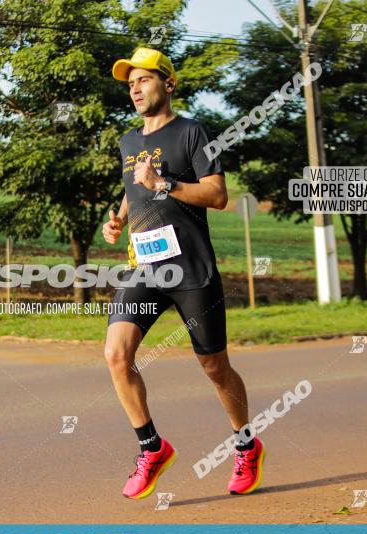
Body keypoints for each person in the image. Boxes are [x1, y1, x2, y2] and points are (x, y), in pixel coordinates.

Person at [103, 47, 264, 500]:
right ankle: (151, 448)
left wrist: (165, 185)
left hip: (192, 270)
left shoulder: (194, 133)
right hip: (147, 268)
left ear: (168, 85)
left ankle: (246, 446)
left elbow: (217, 194)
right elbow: (133, 186)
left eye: (144, 80)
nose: (135, 88)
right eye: (130, 82)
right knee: (116, 353)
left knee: (214, 367)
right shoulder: (128, 141)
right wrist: (118, 217)